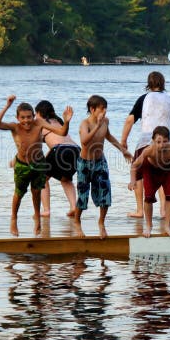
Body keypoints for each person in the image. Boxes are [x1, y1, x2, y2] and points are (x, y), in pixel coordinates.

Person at [0, 95, 72, 236]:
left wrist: (66, 121)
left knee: (36, 192)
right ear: (18, 118)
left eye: (29, 117)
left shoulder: (39, 124)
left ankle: (37, 218)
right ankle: (14, 218)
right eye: (23, 117)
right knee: (19, 193)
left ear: (34, 116)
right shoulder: (14, 127)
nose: (26, 120)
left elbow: (62, 132)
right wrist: (7, 105)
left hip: (39, 164)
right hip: (22, 165)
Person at [120, 71, 170, 219]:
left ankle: (140, 210)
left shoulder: (144, 98)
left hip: (147, 141)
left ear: (148, 84)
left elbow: (129, 120)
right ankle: (163, 210)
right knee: (162, 174)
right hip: (167, 143)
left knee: (139, 174)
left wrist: (123, 140)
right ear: (163, 84)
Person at [75, 95, 132, 239]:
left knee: (105, 192)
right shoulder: (85, 124)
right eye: (101, 109)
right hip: (84, 163)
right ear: (92, 109)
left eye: (105, 108)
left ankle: (101, 222)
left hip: (100, 162)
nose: (104, 111)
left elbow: (109, 136)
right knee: (83, 195)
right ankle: (77, 222)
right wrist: (97, 126)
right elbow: (84, 142)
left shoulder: (105, 121)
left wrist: (123, 150)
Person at [129, 126, 170, 238]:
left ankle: (167, 226)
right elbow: (134, 166)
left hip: (167, 171)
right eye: (158, 142)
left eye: (165, 141)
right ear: (153, 140)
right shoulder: (148, 150)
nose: (161, 145)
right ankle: (149, 226)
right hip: (150, 171)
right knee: (148, 197)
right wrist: (133, 180)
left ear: (168, 141)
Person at [35, 100, 81, 218]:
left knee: (42, 179)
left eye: (36, 113)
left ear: (39, 113)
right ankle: (73, 207)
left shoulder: (40, 122)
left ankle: (46, 210)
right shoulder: (58, 121)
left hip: (60, 150)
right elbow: (55, 142)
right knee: (66, 180)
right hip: (76, 150)